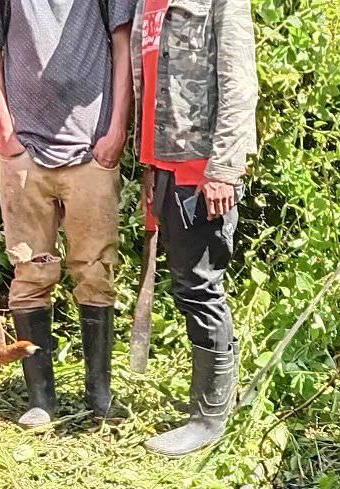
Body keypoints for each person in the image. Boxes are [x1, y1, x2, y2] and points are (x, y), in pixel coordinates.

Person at [0, 0, 135, 426]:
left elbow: (122, 46)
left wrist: (116, 131)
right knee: (30, 272)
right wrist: (7, 138)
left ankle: (99, 394)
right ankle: (40, 399)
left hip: (92, 152)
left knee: (96, 272)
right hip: (25, 156)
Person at [133, 0, 256, 456]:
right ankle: (219, 400)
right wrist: (148, 163)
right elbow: (150, 87)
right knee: (189, 285)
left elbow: (240, 84)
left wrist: (223, 168)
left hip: (200, 171)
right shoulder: (147, 3)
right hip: (165, 166)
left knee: (200, 286)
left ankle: (208, 418)